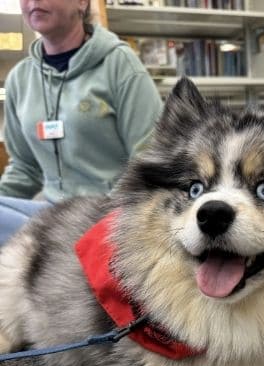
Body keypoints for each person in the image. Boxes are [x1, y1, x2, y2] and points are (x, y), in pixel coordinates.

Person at [0, 0, 163, 245]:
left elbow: (151, 159)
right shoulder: (20, 79)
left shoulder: (121, 65)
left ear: (81, 3)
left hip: (110, 216)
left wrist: (94, 219)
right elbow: (25, 167)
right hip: (53, 216)